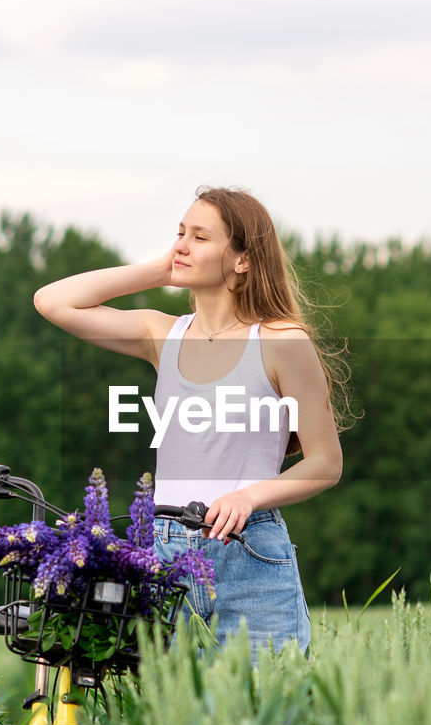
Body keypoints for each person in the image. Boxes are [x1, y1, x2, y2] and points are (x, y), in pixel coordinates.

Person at [33, 185, 344, 660]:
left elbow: (325, 462)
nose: (182, 244)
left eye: (200, 237)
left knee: (265, 723)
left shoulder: (282, 341)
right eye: (180, 233)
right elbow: (53, 301)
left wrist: (249, 495)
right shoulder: (163, 334)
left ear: (242, 259)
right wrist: (165, 268)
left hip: (250, 556)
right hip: (165, 557)